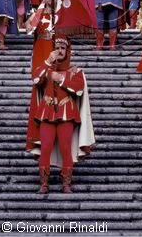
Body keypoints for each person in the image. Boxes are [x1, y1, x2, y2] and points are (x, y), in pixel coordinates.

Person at [28, 35, 95, 194]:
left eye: (62, 48)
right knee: (45, 148)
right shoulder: (46, 69)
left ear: (67, 51)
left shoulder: (75, 71)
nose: (59, 51)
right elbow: (36, 78)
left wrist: (61, 79)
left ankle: (66, 184)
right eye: (57, 48)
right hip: (46, 112)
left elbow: (78, 89)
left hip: (66, 113)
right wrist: (47, 62)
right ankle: (44, 184)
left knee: (66, 148)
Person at [25, 0, 55, 155]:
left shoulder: (60, 15)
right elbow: (28, 29)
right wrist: (38, 12)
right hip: (40, 50)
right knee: (40, 84)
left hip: (54, 50)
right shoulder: (39, 13)